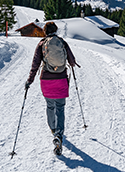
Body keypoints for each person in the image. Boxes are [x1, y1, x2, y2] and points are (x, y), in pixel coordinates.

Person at [25, 21, 77, 155]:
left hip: (46, 81)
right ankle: (59, 135)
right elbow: (71, 61)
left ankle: (53, 130)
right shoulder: (62, 42)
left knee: (50, 106)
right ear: (56, 30)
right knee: (60, 107)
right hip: (61, 80)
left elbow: (35, 65)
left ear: (45, 31)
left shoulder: (41, 44)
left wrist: (29, 81)